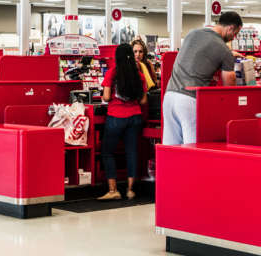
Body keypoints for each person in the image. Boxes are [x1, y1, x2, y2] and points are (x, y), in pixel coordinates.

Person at [163, 11, 243, 145]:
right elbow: (229, 84)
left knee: (170, 148)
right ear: (230, 28)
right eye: (235, 34)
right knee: (192, 148)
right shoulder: (224, 50)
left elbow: (197, 56)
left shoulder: (192, 34)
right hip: (189, 100)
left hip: (169, 96)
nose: (233, 38)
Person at [99, 43, 147, 200]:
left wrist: (106, 96)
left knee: (107, 152)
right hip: (135, 117)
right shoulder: (139, 75)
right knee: (131, 152)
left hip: (116, 117)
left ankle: (113, 190)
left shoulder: (112, 73)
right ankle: (130, 190)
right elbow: (143, 100)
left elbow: (106, 97)